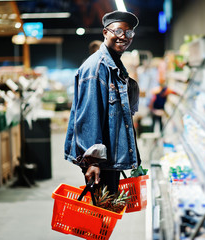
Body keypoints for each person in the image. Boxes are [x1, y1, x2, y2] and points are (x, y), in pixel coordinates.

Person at [64, 10, 141, 194]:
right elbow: (89, 116)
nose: (123, 37)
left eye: (128, 33)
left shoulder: (114, 66)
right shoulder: (97, 68)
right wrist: (93, 162)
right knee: (101, 217)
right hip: (100, 162)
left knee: (107, 215)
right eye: (118, 31)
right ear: (105, 32)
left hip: (109, 158)